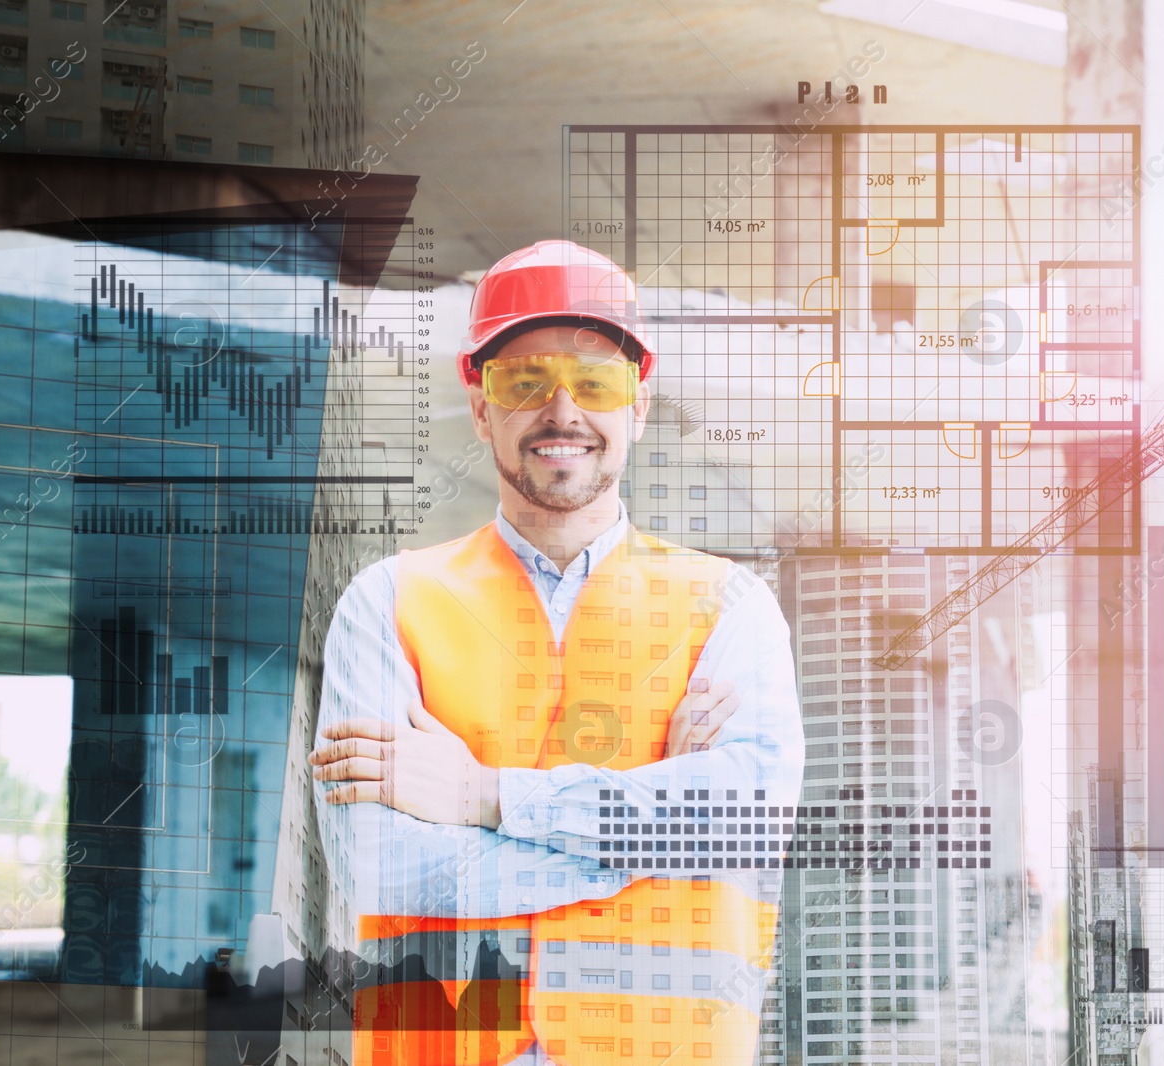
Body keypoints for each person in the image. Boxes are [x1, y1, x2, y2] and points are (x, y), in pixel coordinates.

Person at [307, 240, 803, 1066]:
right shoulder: (387, 606)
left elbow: (745, 820)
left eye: (596, 381)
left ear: (637, 405)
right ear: (480, 404)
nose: (561, 411)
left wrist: (488, 796)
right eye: (524, 380)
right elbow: (386, 869)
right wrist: (650, 839)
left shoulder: (729, 608)